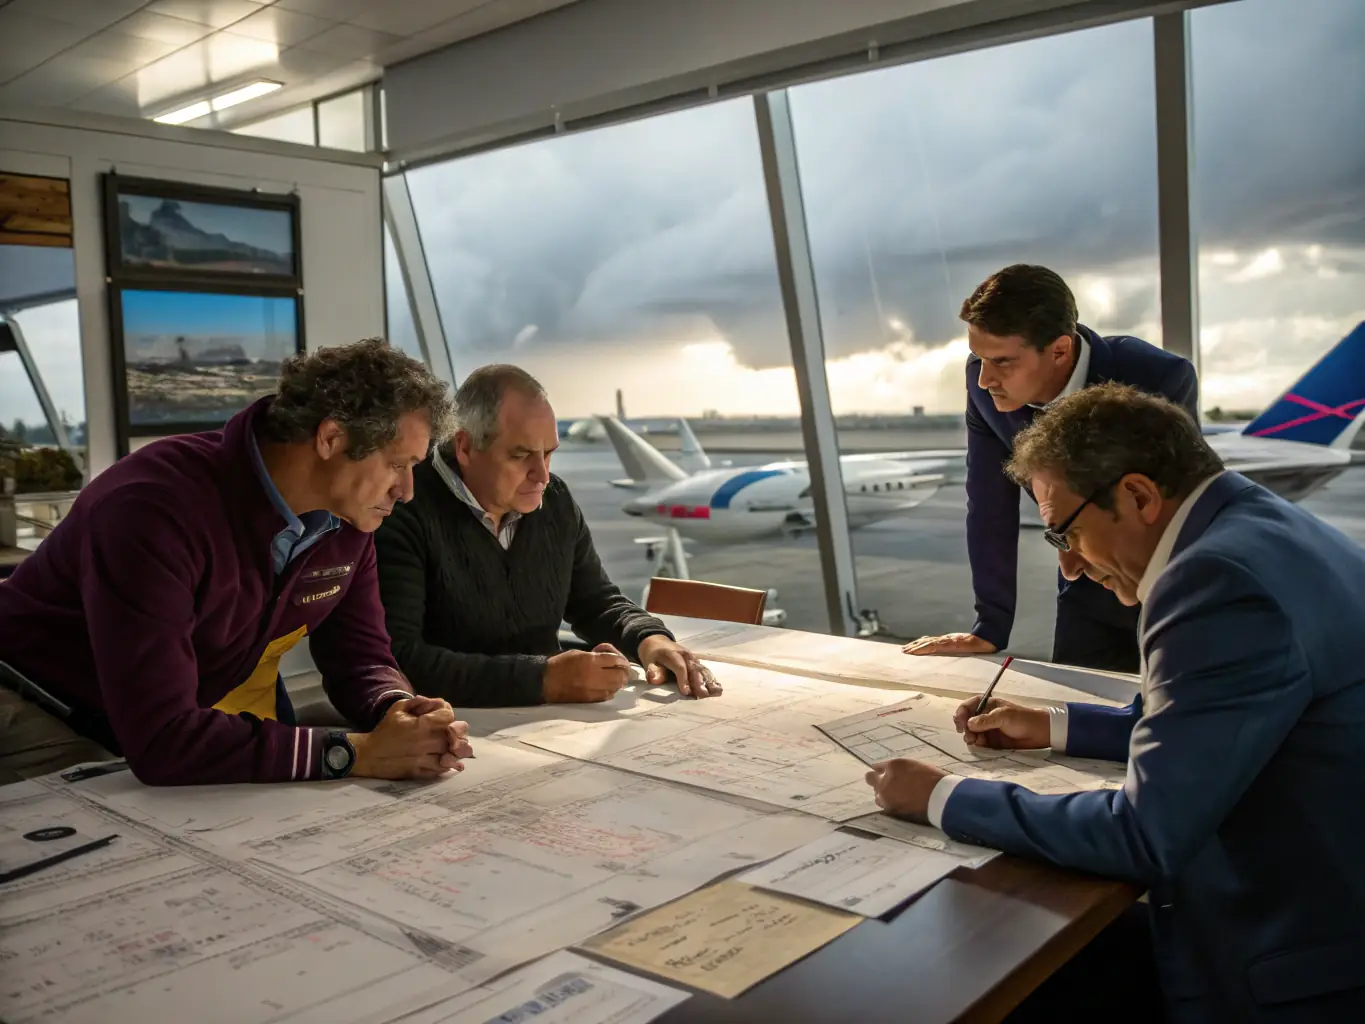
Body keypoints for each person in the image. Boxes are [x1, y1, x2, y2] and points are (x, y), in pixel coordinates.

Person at [868, 383, 1365, 1020]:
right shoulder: (1262, 524)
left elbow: (1144, 834)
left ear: (1138, 496)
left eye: (1065, 534)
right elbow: (1213, 722)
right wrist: (1053, 725)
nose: (1070, 568)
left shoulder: (1213, 581)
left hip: (1288, 964)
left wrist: (943, 797)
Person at [0, 338, 474, 786]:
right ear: (330, 438)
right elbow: (163, 740)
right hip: (37, 705)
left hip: (153, 722)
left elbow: (361, 658)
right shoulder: (152, 510)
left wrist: (399, 712)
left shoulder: (347, 521)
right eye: (397, 465)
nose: (406, 491)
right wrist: (356, 753)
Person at [904, 264, 1198, 672]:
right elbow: (989, 503)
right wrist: (990, 625)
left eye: (1002, 361)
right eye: (979, 358)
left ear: (1060, 350)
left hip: (1163, 584)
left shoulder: (1156, 377)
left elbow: (1171, 505)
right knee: (1072, 702)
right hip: (1082, 582)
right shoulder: (984, 387)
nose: (985, 379)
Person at [374, 364, 719, 707]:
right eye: (521, 455)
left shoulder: (555, 501)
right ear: (465, 446)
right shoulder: (402, 509)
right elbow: (400, 659)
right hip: (451, 724)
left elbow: (594, 600)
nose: (542, 475)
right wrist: (545, 679)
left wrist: (649, 638)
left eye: (549, 453)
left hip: (547, 720)